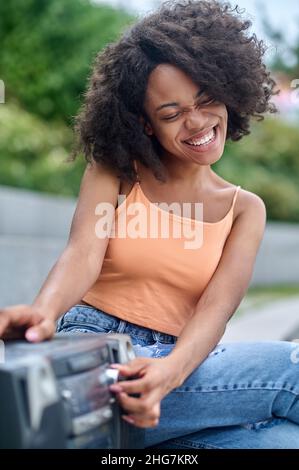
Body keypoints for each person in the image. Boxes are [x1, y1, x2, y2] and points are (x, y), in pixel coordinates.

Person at [1, 0, 299, 449]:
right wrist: (43, 314)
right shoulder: (117, 169)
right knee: (291, 371)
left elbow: (215, 311)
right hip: (105, 356)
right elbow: (82, 253)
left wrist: (171, 372)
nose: (196, 122)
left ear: (229, 91)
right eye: (172, 113)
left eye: (205, 100)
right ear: (145, 123)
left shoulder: (245, 209)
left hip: (184, 370)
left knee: (281, 442)